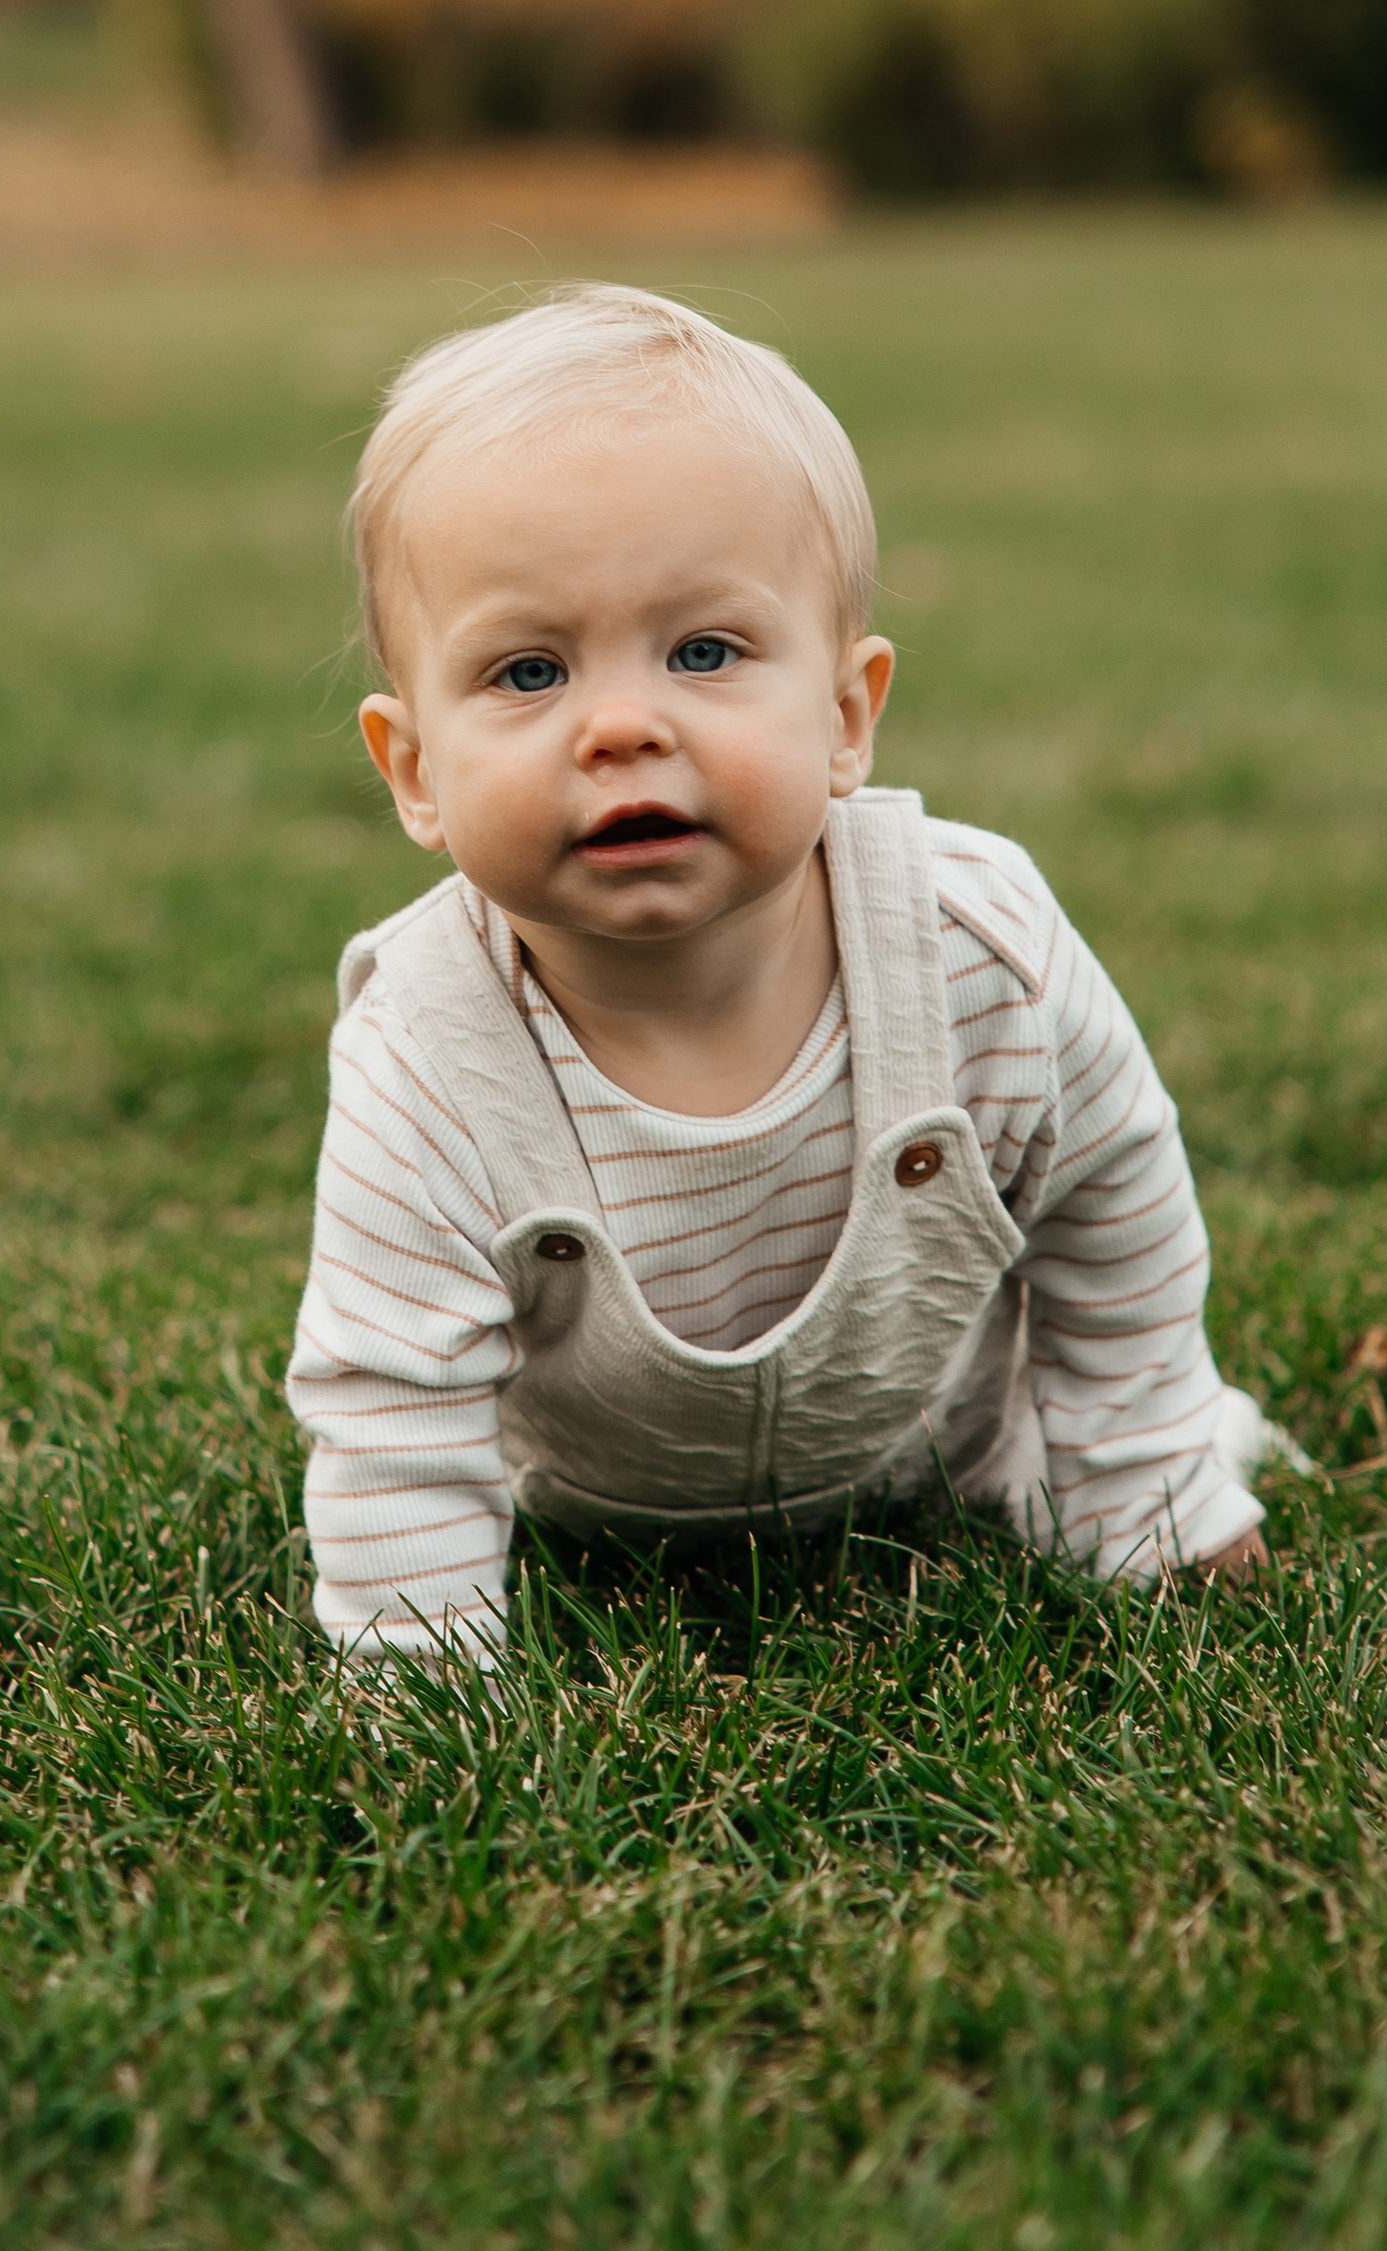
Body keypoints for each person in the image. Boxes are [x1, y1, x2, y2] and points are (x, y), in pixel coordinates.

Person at [287, 282, 1280, 1675]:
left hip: (951, 1461)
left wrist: (1150, 1494)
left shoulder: (975, 950)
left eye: (705, 651)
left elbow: (1111, 1194)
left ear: (846, 713)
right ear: (412, 771)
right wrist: (421, 1685)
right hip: (592, 1514)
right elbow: (388, 1395)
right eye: (527, 669)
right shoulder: (427, 1053)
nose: (622, 724)